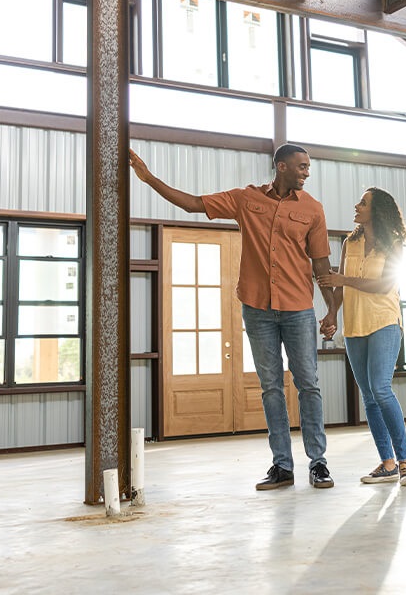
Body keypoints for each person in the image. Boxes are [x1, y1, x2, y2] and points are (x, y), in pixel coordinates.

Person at [129, 144, 338, 490]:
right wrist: (149, 178)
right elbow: (195, 203)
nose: (306, 172)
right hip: (257, 307)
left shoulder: (313, 209)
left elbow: (320, 265)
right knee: (271, 388)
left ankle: (318, 463)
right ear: (281, 166)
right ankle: (282, 466)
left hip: (299, 307)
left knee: (308, 386)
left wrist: (331, 309)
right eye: (301, 166)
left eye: (308, 167)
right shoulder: (246, 199)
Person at [317, 187, 406, 486]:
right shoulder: (351, 242)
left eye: (363, 203)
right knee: (370, 397)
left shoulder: (394, 244)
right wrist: (332, 313)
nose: (357, 206)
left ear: (378, 210)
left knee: (381, 388)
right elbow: (338, 287)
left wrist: (342, 279)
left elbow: (384, 285)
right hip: (355, 326)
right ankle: (387, 464)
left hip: (385, 322)